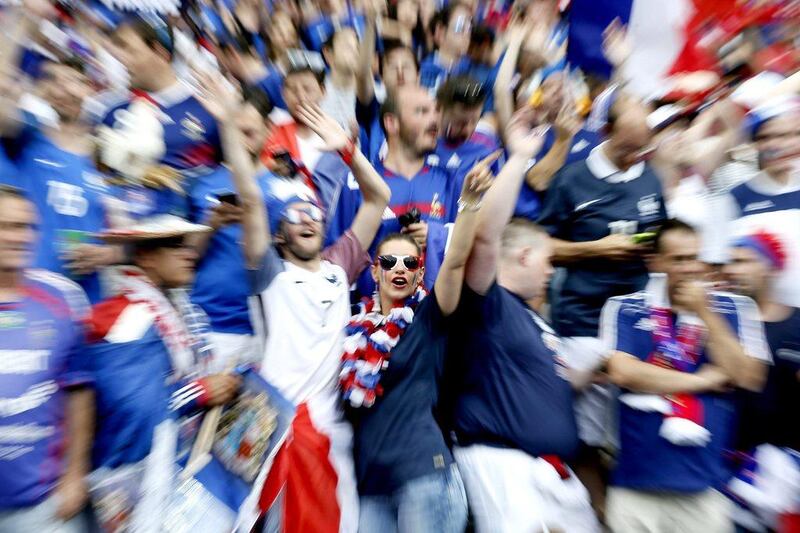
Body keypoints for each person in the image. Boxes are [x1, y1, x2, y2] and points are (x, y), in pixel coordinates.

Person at [213, 63, 390, 528]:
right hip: (270, 426)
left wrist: (348, 151)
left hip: (327, 431)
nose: (307, 218)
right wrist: (231, 127)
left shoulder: (341, 264)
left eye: (312, 211)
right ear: (278, 235)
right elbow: (250, 198)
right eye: (294, 215)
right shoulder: (269, 271)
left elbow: (378, 197)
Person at [448, 110, 600, 532]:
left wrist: (596, 372)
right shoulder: (488, 302)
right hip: (503, 463)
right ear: (525, 256)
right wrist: (518, 158)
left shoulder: (537, 322)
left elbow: (543, 382)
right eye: (548, 262)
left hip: (553, 471)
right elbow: (484, 237)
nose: (552, 273)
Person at [344, 152, 496, 531]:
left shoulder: (427, 314)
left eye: (410, 264)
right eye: (390, 262)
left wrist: (469, 203)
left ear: (420, 274)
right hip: (370, 485)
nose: (400, 269)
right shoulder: (350, 325)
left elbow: (457, 261)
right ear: (374, 270)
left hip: (423, 475)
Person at [600, 220, 771, 533]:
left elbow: (748, 376)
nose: (691, 268)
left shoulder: (735, 308)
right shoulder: (625, 307)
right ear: (656, 261)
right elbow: (622, 371)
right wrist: (704, 381)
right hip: (634, 488)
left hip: (704, 490)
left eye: (695, 257)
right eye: (679, 260)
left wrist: (706, 313)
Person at [80, 214, 242, 530]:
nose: (190, 253)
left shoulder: (182, 308)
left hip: (177, 466)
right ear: (145, 256)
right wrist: (202, 391)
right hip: (136, 475)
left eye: (186, 244)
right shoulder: (122, 319)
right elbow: (136, 412)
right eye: (175, 245)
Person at [536, 93, 668, 458]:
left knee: (634, 427)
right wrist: (594, 249)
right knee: (586, 437)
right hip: (583, 320)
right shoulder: (572, 179)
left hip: (638, 321)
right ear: (607, 132)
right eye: (628, 145)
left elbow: (663, 237)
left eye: (642, 147)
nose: (634, 157)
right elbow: (541, 245)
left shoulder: (651, 178)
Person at [0, 185, 93, 532]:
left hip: (41, 506)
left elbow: (80, 391)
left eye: (26, 227)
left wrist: (74, 474)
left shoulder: (61, 299)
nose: (19, 237)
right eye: (6, 226)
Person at [12, 58, 121, 303]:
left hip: (85, 298)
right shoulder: (26, 136)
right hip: (30, 293)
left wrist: (107, 254)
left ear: (88, 87)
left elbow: (126, 233)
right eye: (52, 80)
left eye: (71, 80)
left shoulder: (107, 154)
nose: (62, 89)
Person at [723, 230, 800, 531]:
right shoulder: (720, 322)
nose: (731, 269)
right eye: (730, 262)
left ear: (769, 266)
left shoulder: (798, 323)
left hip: (787, 473)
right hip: (728, 467)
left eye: (743, 261)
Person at [102, 15, 223, 177]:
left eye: (130, 51)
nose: (120, 59)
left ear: (160, 53)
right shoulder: (114, 115)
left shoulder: (209, 111)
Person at [717, 96, 800, 307]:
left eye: (788, 135)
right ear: (756, 144)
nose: (777, 145)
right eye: (766, 137)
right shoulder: (736, 198)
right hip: (763, 319)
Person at [356, 39, 420, 163]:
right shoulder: (373, 111)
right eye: (393, 67)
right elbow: (362, 75)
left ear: (418, 75)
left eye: (406, 67)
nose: (400, 73)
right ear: (382, 76)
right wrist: (370, 25)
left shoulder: (430, 116)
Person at [433, 75, 501, 178]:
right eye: (461, 123)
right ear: (439, 108)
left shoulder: (486, 147)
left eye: (474, 121)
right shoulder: (420, 144)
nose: (468, 130)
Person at [419, 3, 472, 92]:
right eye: (460, 28)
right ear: (441, 32)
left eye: (469, 29)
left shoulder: (470, 66)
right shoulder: (427, 71)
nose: (467, 35)